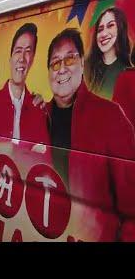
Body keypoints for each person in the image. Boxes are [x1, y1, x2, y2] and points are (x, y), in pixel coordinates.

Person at [46, 28, 135, 241]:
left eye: (70, 59)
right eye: (55, 63)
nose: (62, 69)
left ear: (83, 64)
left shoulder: (110, 116)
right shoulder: (39, 116)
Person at [0, 23, 50, 145]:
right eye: (18, 51)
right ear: (10, 59)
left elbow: (43, 155)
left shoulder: (38, 107)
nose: (22, 58)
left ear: (33, 59)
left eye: (28, 51)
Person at [85, 7, 132, 99]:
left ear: (120, 28)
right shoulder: (86, 66)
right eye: (100, 29)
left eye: (110, 26)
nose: (103, 34)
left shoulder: (127, 69)